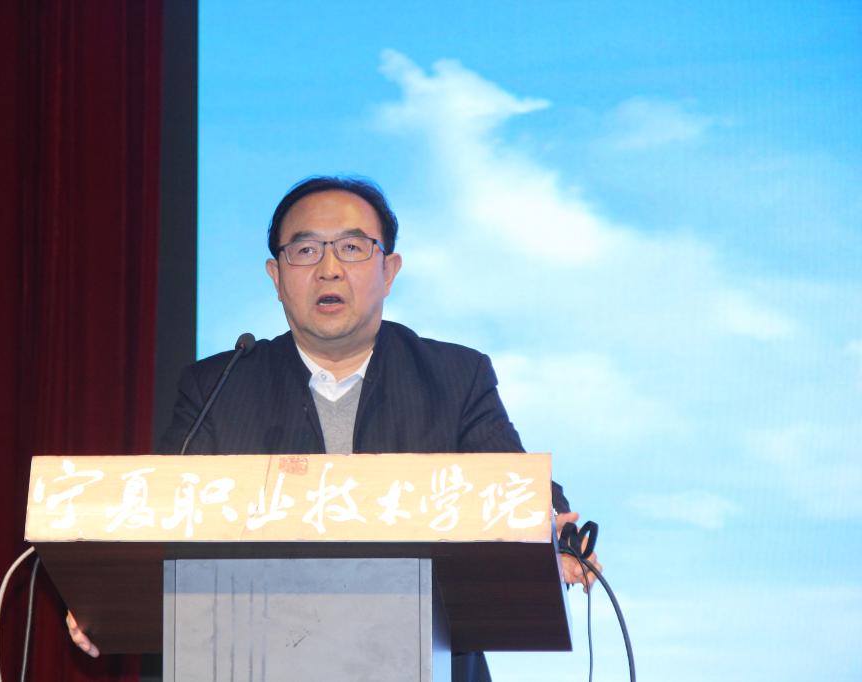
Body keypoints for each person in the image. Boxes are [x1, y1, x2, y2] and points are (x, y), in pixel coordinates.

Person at [67, 176, 602, 678]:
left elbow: (515, 490)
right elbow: (161, 514)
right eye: (305, 250)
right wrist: (114, 589)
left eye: (351, 247)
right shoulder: (219, 387)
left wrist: (554, 533)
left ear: (388, 271)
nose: (328, 269)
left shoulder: (454, 377)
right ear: (276, 277)